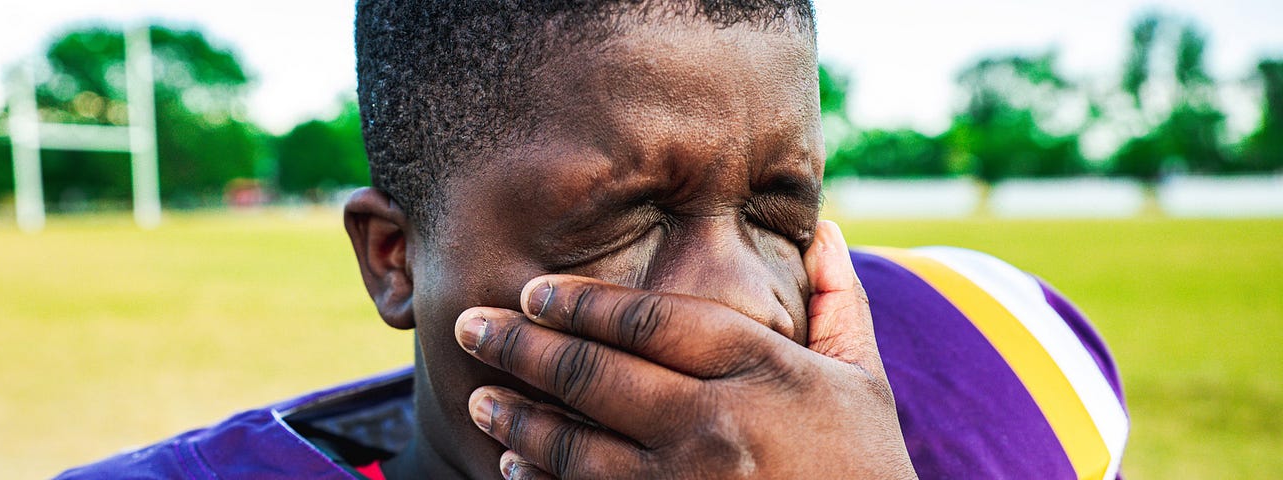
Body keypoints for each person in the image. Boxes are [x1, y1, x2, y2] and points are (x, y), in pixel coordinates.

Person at [57, 1, 1129, 478]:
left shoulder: (985, 386)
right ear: (396, 259)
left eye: (776, 212)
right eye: (622, 220)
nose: (742, 302)